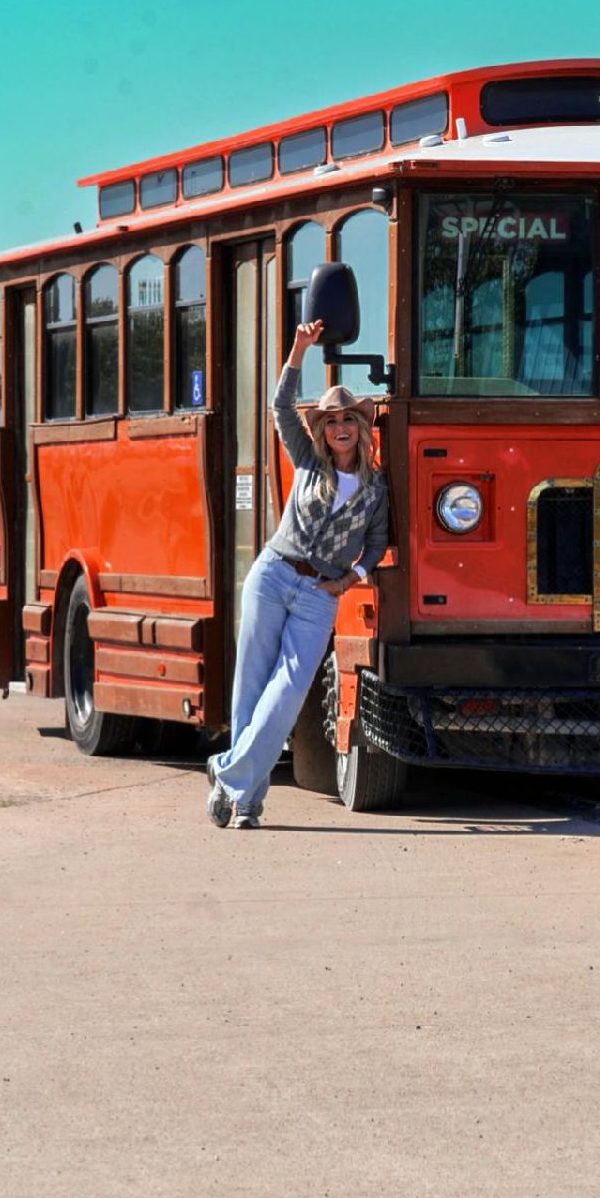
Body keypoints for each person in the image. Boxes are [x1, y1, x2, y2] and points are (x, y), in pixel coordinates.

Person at [206, 319, 389, 828]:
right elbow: (281, 408)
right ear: (323, 431)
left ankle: (227, 771)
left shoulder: (376, 488)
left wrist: (348, 581)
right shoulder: (307, 460)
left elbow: (375, 546)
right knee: (250, 690)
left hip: (318, 594)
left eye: (348, 418)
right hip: (272, 575)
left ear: (361, 426)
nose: (340, 427)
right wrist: (298, 351)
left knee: (285, 696)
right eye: (331, 421)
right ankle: (246, 802)